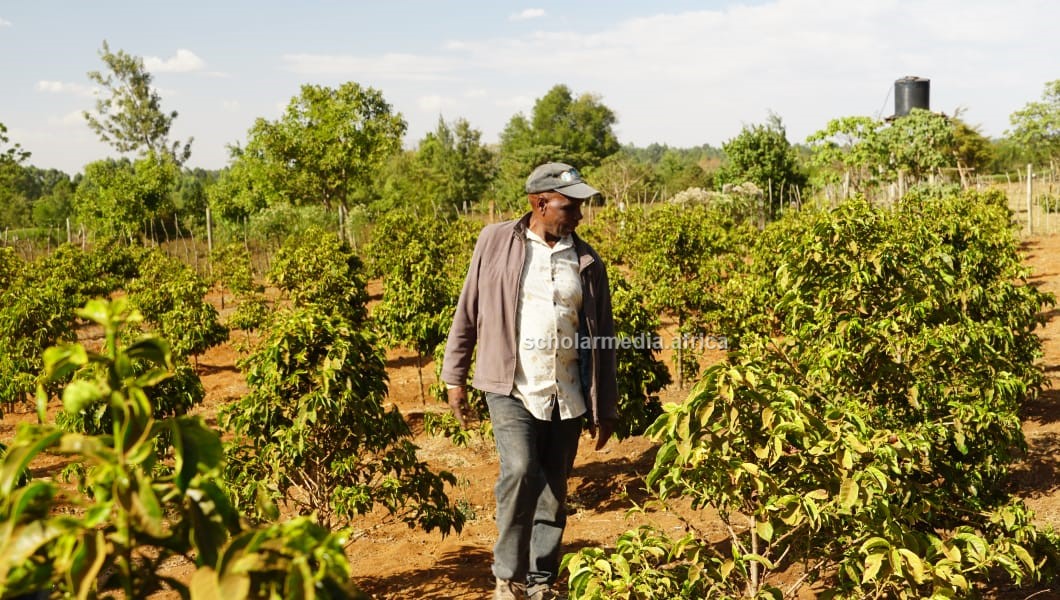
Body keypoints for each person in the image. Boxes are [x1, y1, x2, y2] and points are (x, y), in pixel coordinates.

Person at [442, 162, 619, 600]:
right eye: (570, 205)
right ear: (540, 203)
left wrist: (606, 407)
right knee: (520, 471)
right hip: (511, 385)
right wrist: (455, 375)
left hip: (567, 391)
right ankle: (508, 576)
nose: (578, 215)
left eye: (581, 205)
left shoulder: (588, 261)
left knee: (554, 490)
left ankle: (542, 582)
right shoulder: (495, 241)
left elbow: (605, 340)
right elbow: (469, 308)